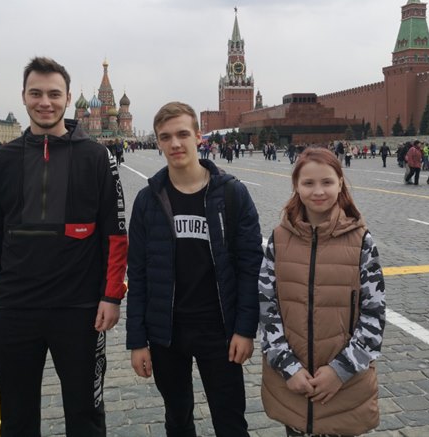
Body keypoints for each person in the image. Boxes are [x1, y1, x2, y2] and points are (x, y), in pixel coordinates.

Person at [0, 57, 128, 437]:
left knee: (86, 415)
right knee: (17, 418)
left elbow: (115, 234)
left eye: (54, 94)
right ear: (23, 96)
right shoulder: (3, 159)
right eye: (36, 93)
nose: (45, 102)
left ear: (68, 99)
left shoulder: (96, 157)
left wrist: (111, 296)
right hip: (14, 308)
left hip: (79, 310)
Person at [126, 102, 263, 437]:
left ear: (198, 136)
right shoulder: (147, 200)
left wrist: (245, 329)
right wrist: (137, 340)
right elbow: (138, 274)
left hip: (219, 329)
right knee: (177, 419)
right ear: (158, 142)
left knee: (230, 422)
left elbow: (250, 267)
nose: (175, 143)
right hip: (166, 331)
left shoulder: (232, 194)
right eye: (165, 137)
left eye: (182, 134)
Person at [258, 148, 385, 436]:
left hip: (345, 387)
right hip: (293, 385)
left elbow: (374, 315)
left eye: (327, 182)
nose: (318, 191)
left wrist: (340, 371)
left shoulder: (361, 241)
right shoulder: (279, 239)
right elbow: (267, 308)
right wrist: (288, 367)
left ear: (340, 183)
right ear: (296, 186)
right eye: (308, 183)